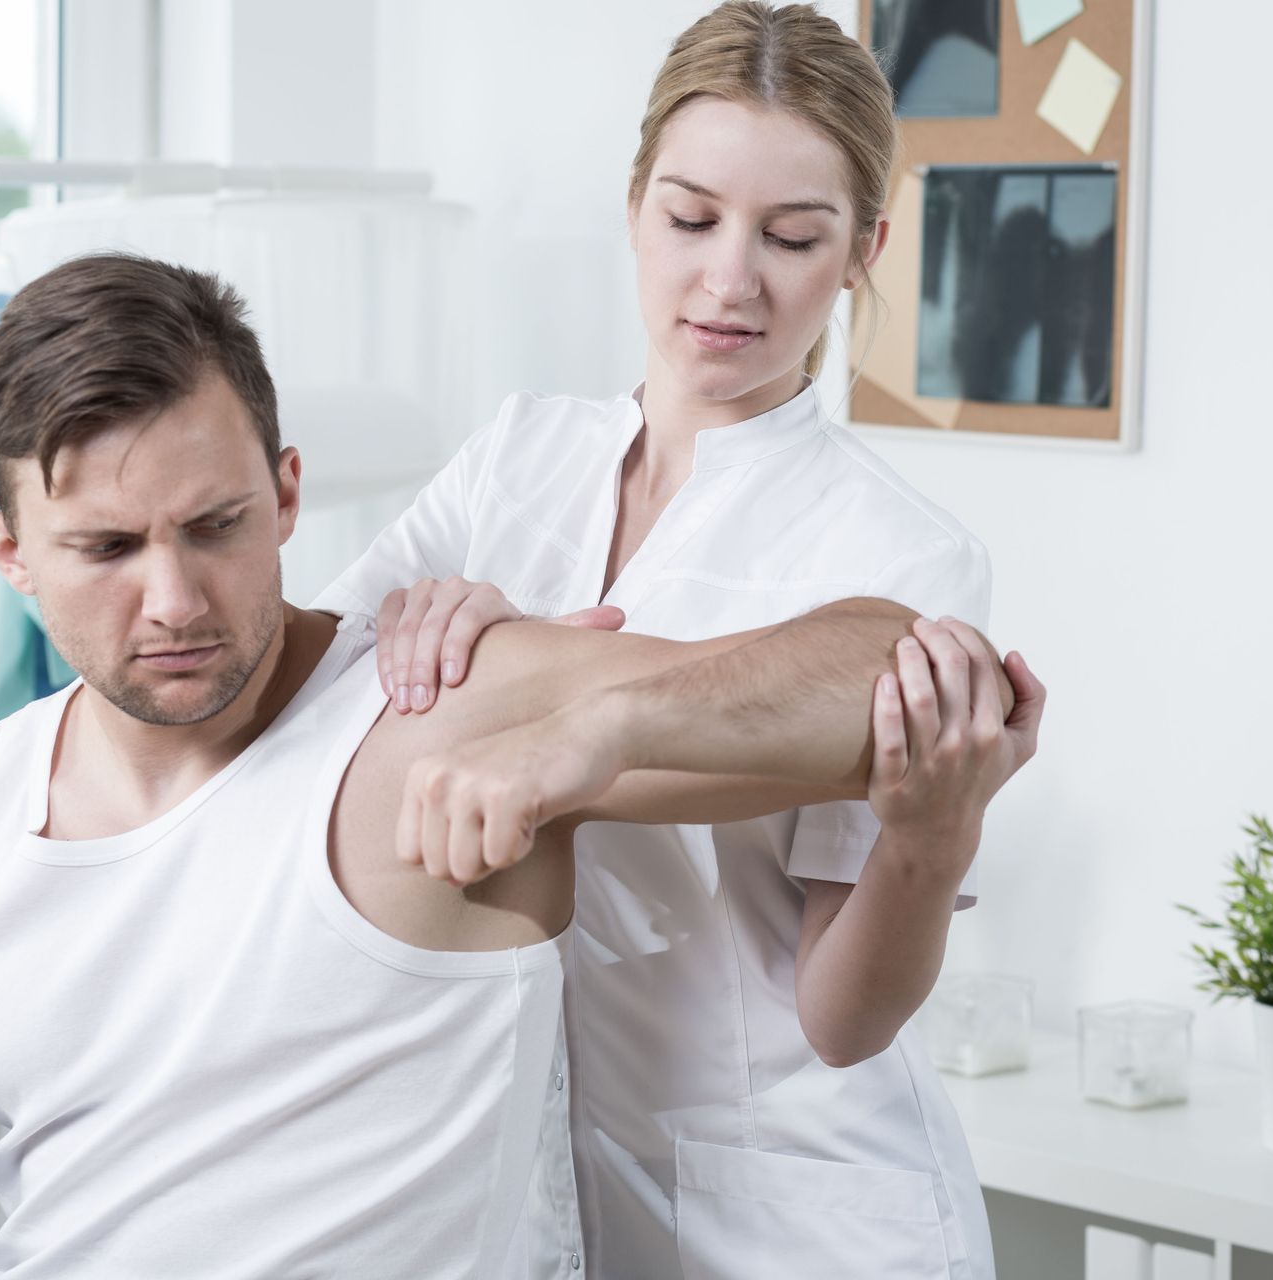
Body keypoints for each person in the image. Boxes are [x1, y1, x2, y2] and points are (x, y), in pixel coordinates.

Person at [0, 254, 1035, 1280]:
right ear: (7, 551)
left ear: (288, 492)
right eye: (107, 549)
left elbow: (900, 663)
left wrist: (596, 734)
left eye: (216, 525)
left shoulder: (437, 716)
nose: (175, 599)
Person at [311, 3, 1047, 1275]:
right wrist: (434, 625)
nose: (730, 279)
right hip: (553, 1184)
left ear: (864, 250)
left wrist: (931, 844)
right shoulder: (515, 458)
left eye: (793, 236)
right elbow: (324, 695)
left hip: (803, 1209)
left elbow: (843, 1019)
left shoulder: (900, 553)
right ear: (635, 205)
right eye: (692, 218)